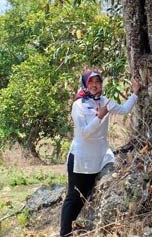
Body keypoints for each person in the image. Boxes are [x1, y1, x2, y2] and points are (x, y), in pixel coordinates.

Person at [59, 69, 141, 236]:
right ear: (85, 84)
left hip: (99, 157)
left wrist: (135, 92)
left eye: (97, 82)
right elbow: (84, 133)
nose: (95, 85)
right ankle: (64, 233)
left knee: (86, 196)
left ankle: (77, 230)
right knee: (73, 198)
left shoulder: (105, 101)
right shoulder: (78, 105)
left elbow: (125, 109)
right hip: (81, 158)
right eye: (91, 82)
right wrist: (99, 117)